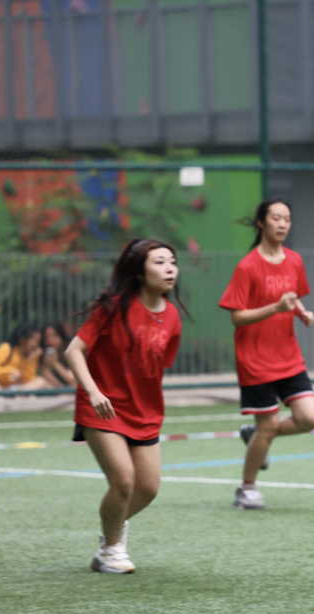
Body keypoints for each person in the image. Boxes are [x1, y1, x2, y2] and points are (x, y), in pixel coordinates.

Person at [64, 238, 185, 573]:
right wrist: (93, 391)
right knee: (125, 481)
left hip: (144, 413)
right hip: (102, 408)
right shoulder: (113, 307)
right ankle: (110, 549)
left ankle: (112, 526)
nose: (169, 267)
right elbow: (73, 351)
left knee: (148, 488)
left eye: (172, 261)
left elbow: (155, 367)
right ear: (139, 272)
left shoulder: (173, 317)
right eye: (159, 262)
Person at [219, 199, 314, 510]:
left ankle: (256, 437)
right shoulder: (247, 266)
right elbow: (237, 316)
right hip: (255, 359)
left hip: (288, 355)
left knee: (309, 418)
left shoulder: (294, 260)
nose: (282, 224)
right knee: (268, 426)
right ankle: (246, 489)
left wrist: (302, 312)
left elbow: (291, 297)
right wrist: (275, 308)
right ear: (262, 223)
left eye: (287, 219)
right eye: (276, 218)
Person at [0, 322, 52, 391]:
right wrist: (10, 372)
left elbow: (28, 380)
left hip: (17, 389)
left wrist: (30, 361)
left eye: (38, 341)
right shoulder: (7, 348)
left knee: (41, 381)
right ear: (22, 339)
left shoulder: (33, 355)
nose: (36, 345)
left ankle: (15, 397)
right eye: (34, 340)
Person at [41, 322, 77, 387]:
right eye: (47, 337)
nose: (50, 340)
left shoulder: (70, 351)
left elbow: (71, 379)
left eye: (54, 335)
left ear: (61, 336)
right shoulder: (43, 352)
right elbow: (46, 376)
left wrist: (55, 363)